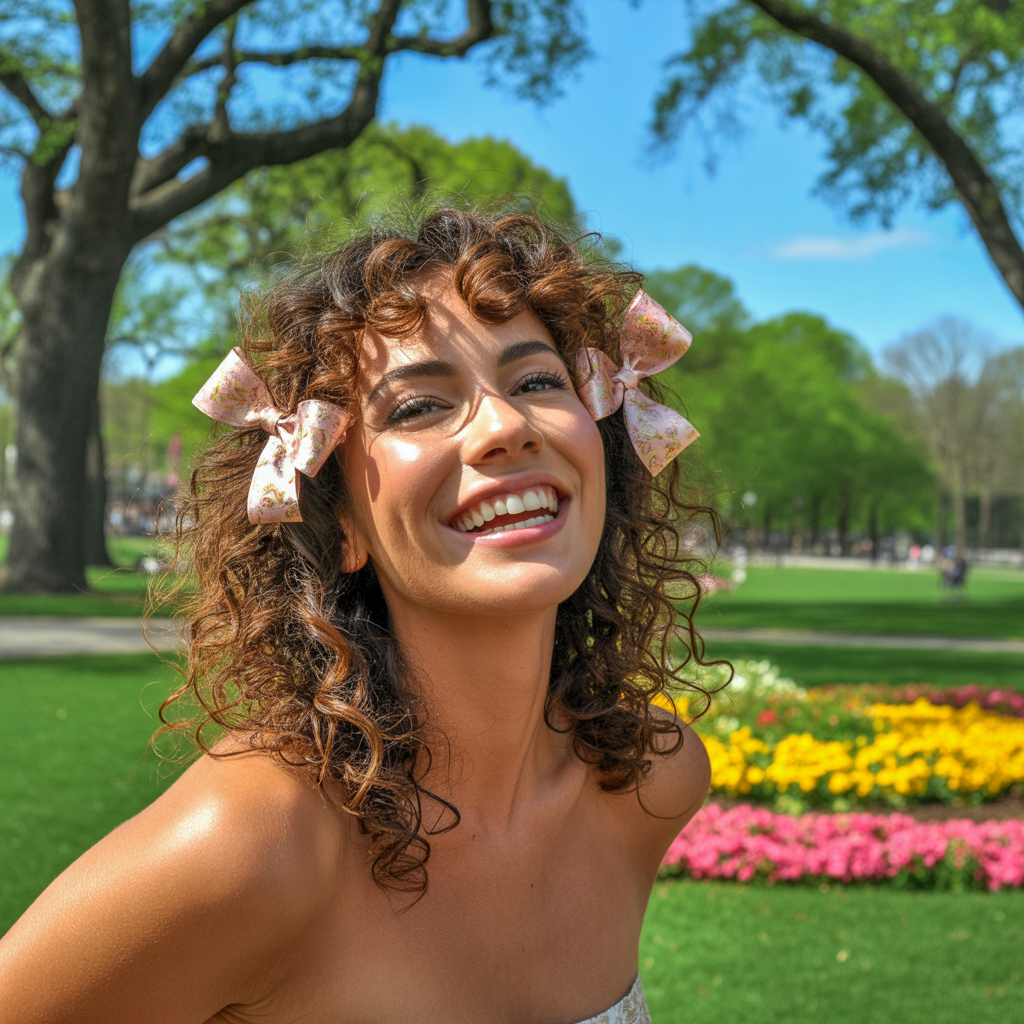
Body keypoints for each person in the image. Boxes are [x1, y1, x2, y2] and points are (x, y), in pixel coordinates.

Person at [0, 208, 715, 1024]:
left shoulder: (652, 780)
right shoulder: (247, 846)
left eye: (538, 382)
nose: (507, 427)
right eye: (417, 408)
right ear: (338, 523)